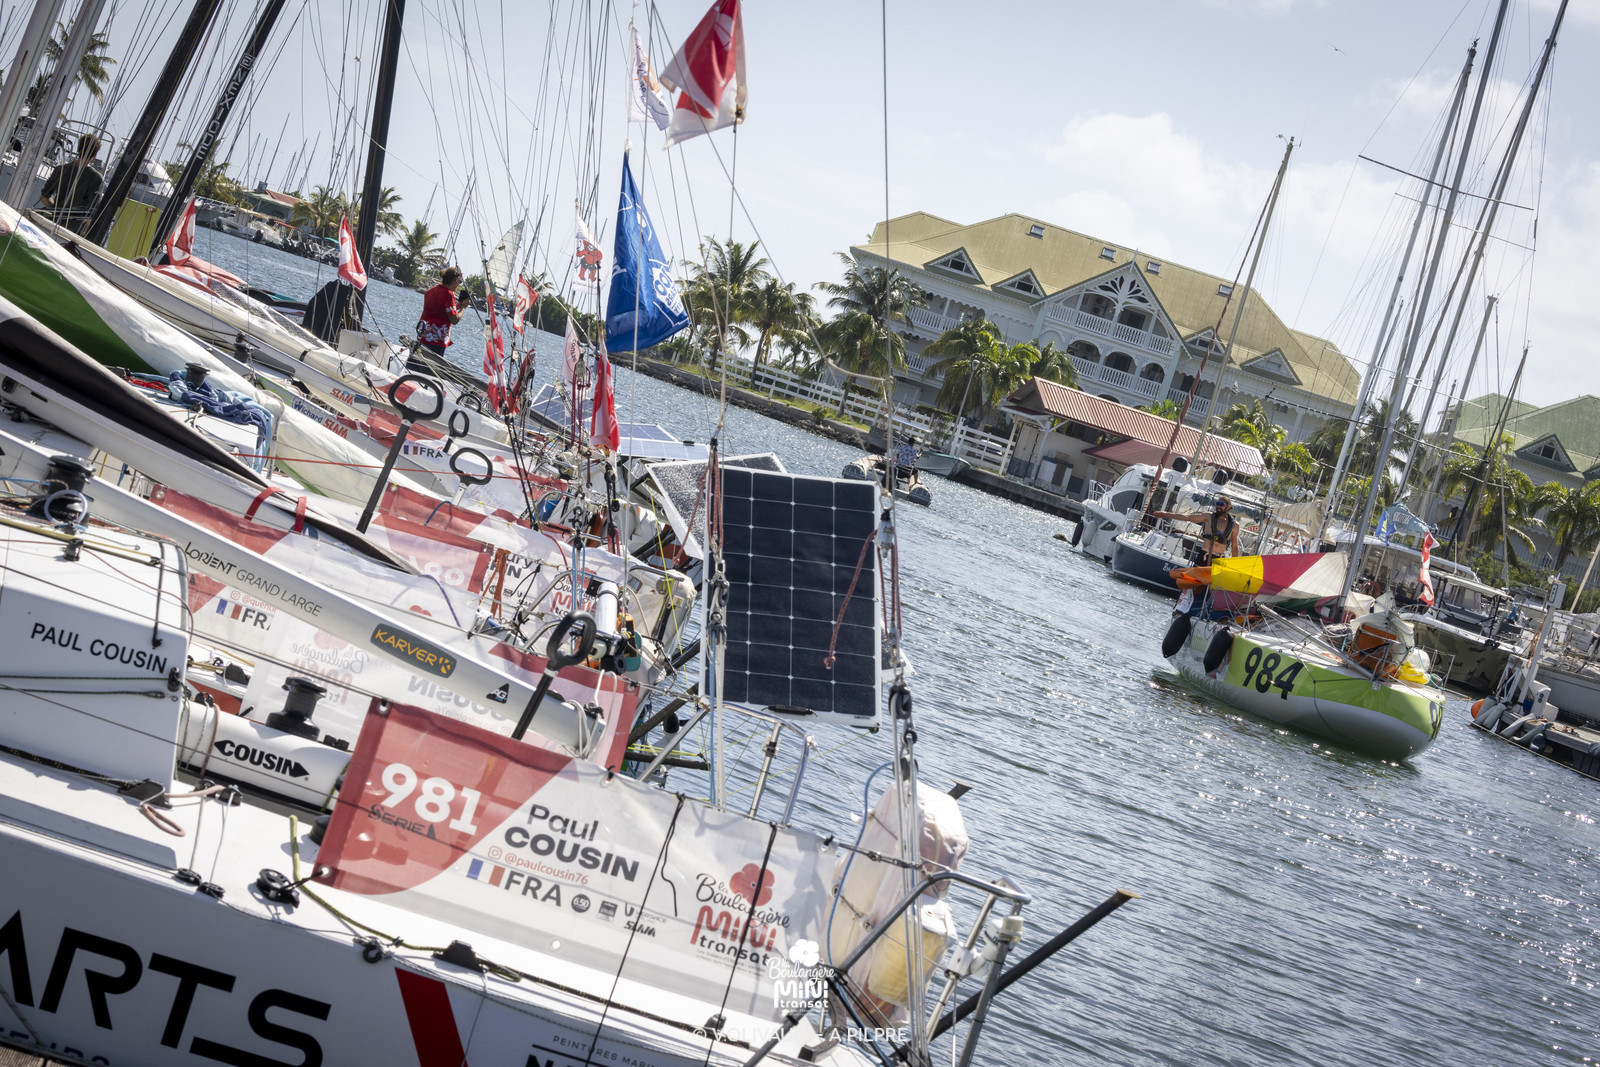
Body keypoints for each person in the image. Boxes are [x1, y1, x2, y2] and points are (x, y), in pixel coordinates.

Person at [37, 133, 104, 228]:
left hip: (51, 222)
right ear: (95, 154)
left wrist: (55, 211)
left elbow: (44, 196)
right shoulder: (96, 178)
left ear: (78, 149)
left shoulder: (60, 169)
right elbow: (91, 213)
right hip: (71, 229)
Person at [1152, 495, 1240, 564]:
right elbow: (1187, 517)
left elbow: (1234, 546)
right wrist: (1166, 514)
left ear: (1228, 507)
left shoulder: (1234, 525)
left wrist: (1235, 563)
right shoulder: (1208, 516)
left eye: (1221, 504)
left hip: (1219, 559)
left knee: (1212, 585)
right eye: (1217, 504)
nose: (1218, 506)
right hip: (1204, 554)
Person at [416, 267, 467, 362]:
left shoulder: (431, 291)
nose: (458, 286)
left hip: (423, 335)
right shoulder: (448, 294)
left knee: (418, 363)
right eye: (458, 282)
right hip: (436, 340)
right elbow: (454, 320)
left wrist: (458, 306)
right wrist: (463, 307)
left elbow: (441, 311)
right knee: (430, 368)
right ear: (453, 280)